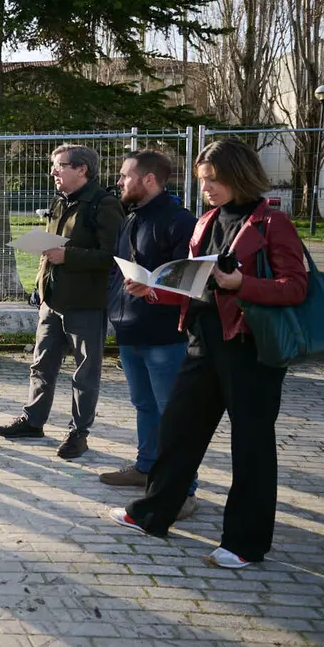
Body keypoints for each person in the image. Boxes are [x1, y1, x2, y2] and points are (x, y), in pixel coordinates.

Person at [111, 139, 307, 570]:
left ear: (239, 174)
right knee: (179, 431)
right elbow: (195, 284)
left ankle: (245, 543)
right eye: (203, 182)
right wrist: (154, 290)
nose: (208, 188)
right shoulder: (207, 221)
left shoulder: (272, 222)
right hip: (201, 341)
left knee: (251, 445)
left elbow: (296, 287)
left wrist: (243, 286)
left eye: (214, 180)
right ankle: (152, 514)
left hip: (252, 349)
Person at [0, 144, 124, 459]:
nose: (53, 171)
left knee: (85, 371)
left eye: (60, 165)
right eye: (54, 165)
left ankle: (78, 433)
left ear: (82, 169)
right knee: (41, 364)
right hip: (52, 301)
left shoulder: (104, 205)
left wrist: (68, 256)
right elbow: (51, 252)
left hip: (86, 303)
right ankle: (33, 421)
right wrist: (41, 288)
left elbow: (113, 257)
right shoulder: (60, 201)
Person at [101, 151, 199, 520]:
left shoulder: (179, 221)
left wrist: (154, 290)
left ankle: (184, 490)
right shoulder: (131, 218)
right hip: (129, 329)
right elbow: (116, 268)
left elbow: (188, 278)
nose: (120, 181)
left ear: (149, 180)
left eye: (125, 176)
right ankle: (145, 468)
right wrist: (115, 305)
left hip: (165, 335)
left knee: (172, 413)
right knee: (143, 405)